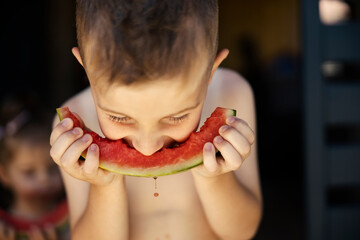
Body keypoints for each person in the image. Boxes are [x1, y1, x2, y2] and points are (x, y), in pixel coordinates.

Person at [50, 0, 262, 239]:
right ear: (86, 69)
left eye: (177, 117)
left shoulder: (233, 93)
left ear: (210, 73)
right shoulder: (75, 128)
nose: (147, 147)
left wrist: (215, 178)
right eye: (118, 117)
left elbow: (242, 232)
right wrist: (104, 185)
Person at [0, 99, 69, 240]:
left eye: (52, 167)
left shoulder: (74, 214)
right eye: (29, 172)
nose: (44, 179)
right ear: (5, 174)